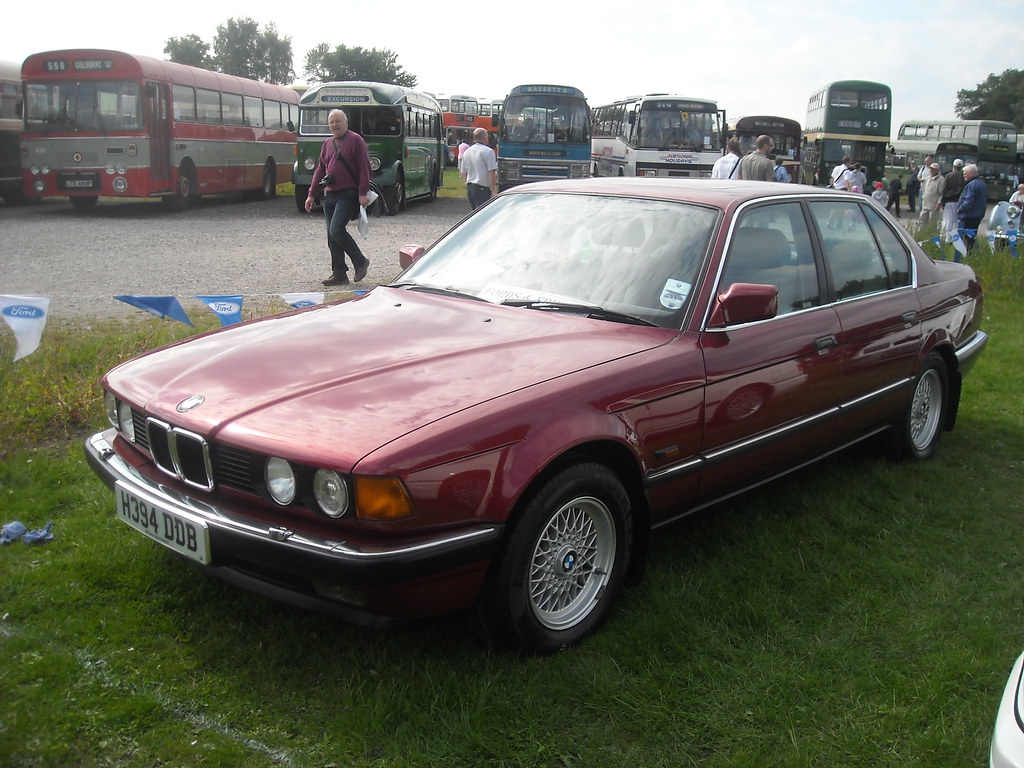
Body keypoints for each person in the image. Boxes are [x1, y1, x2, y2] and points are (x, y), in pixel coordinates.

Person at [306, 109, 371, 287]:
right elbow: (320, 169)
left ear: (346, 123)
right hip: (330, 194)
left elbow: (365, 167)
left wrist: (362, 192)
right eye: (331, 122)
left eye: (338, 121)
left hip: (348, 193)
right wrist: (312, 193)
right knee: (331, 235)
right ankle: (339, 273)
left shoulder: (356, 140)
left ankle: (360, 261)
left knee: (336, 230)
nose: (335, 125)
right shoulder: (327, 143)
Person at [460, 126, 497, 210]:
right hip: (482, 188)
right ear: (484, 137)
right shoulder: (488, 151)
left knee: (474, 214)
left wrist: (467, 183)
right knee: (483, 214)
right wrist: (493, 190)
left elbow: (463, 172)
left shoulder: (467, 151)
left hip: (470, 187)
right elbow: (491, 172)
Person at [956, 163, 988, 253]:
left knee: (966, 239)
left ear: (972, 174)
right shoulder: (982, 184)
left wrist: (960, 209)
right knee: (972, 237)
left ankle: (965, 255)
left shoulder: (972, 185)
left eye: (965, 173)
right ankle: (971, 253)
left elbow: (968, 202)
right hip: (977, 216)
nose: (963, 175)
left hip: (968, 216)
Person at [941, 158, 965, 242]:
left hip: (949, 201)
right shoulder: (964, 177)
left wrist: (942, 202)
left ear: (953, 166)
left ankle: (948, 238)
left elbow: (944, 189)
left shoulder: (949, 176)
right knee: (957, 221)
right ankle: (957, 238)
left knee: (948, 220)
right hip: (960, 202)